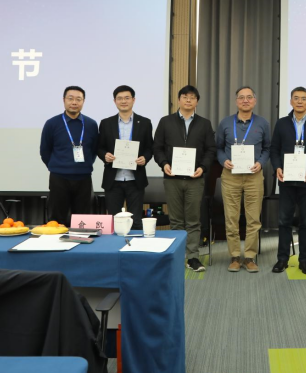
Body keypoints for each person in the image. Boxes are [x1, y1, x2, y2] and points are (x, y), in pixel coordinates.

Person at [153, 85, 216, 272]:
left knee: (193, 220)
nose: (188, 100)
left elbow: (211, 149)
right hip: (172, 178)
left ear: (197, 101)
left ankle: (193, 257)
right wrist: (164, 163)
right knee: (176, 220)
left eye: (192, 97)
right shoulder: (166, 122)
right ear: (179, 99)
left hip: (195, 179)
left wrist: (202, 167)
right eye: (185, 97)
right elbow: (157, 148)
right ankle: (177, 255)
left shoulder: (204, 124)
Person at [270, 87, 306, 275]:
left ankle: (304, 261)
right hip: (286, 181)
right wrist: (277, 167)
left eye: (303, 98)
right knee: (284, 221)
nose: (299, 101)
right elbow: (274, 149)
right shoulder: (281, 123)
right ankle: (282, 259)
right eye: (296, 98)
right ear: (291, 101)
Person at [215, 86, 272, 273]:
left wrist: (261, 163)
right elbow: (218, 148)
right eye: (241, 97)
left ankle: (249, 257)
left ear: (254, 101)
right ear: (236, 101)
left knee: (253, 219)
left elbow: (268, 148)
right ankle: (234, 257)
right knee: (231, 218)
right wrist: (223, 160)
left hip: (254, 176)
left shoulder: (262, 123)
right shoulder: (225, 123)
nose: (245, 100)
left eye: (249, 97)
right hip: (230, 176)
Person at [40, 86, 99, 226]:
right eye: (70, 98)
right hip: (59, 178)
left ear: (83, 101)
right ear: (64, 100)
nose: (74, 102)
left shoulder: (91, 124)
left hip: (84, 178)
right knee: (56, 220)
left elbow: (94, 150)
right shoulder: (52, 123)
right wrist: (57, 166)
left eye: (78, 99)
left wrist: (84, 166)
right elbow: (45, 151)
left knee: (83, 221)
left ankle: (81, 241)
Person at [96, 85, 154, 229]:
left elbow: (150, 148)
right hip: (113, 179)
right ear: (114, 101)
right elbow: (99, 147)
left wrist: (145, 158)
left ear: (133, 100)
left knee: (136, 221)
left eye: (127, 98)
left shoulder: (145, 122)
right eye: (120, 98)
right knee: (114, 222)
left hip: (135, 179)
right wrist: (105, 155)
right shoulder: (106, 123)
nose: (123, 101)